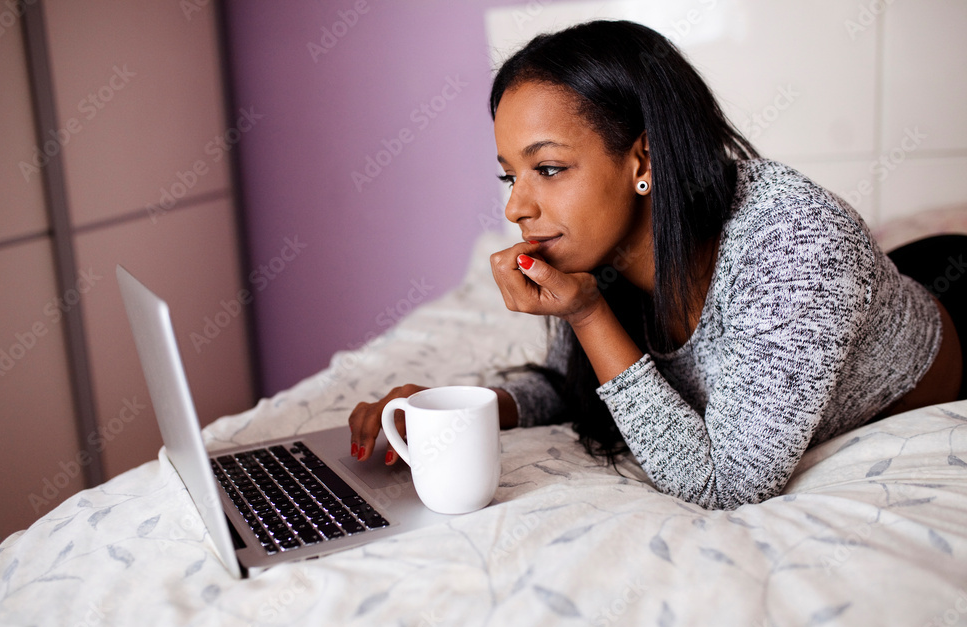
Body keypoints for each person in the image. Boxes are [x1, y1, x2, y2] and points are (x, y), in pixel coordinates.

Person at [347, 20, 964, 511]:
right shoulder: (603, 250)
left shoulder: (796, 241)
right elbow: (580, 389)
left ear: (642, 160)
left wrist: (587, 314)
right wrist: (457, 409)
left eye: (550, 169)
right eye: (510, 175)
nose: (515, 206)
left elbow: (727, 487)